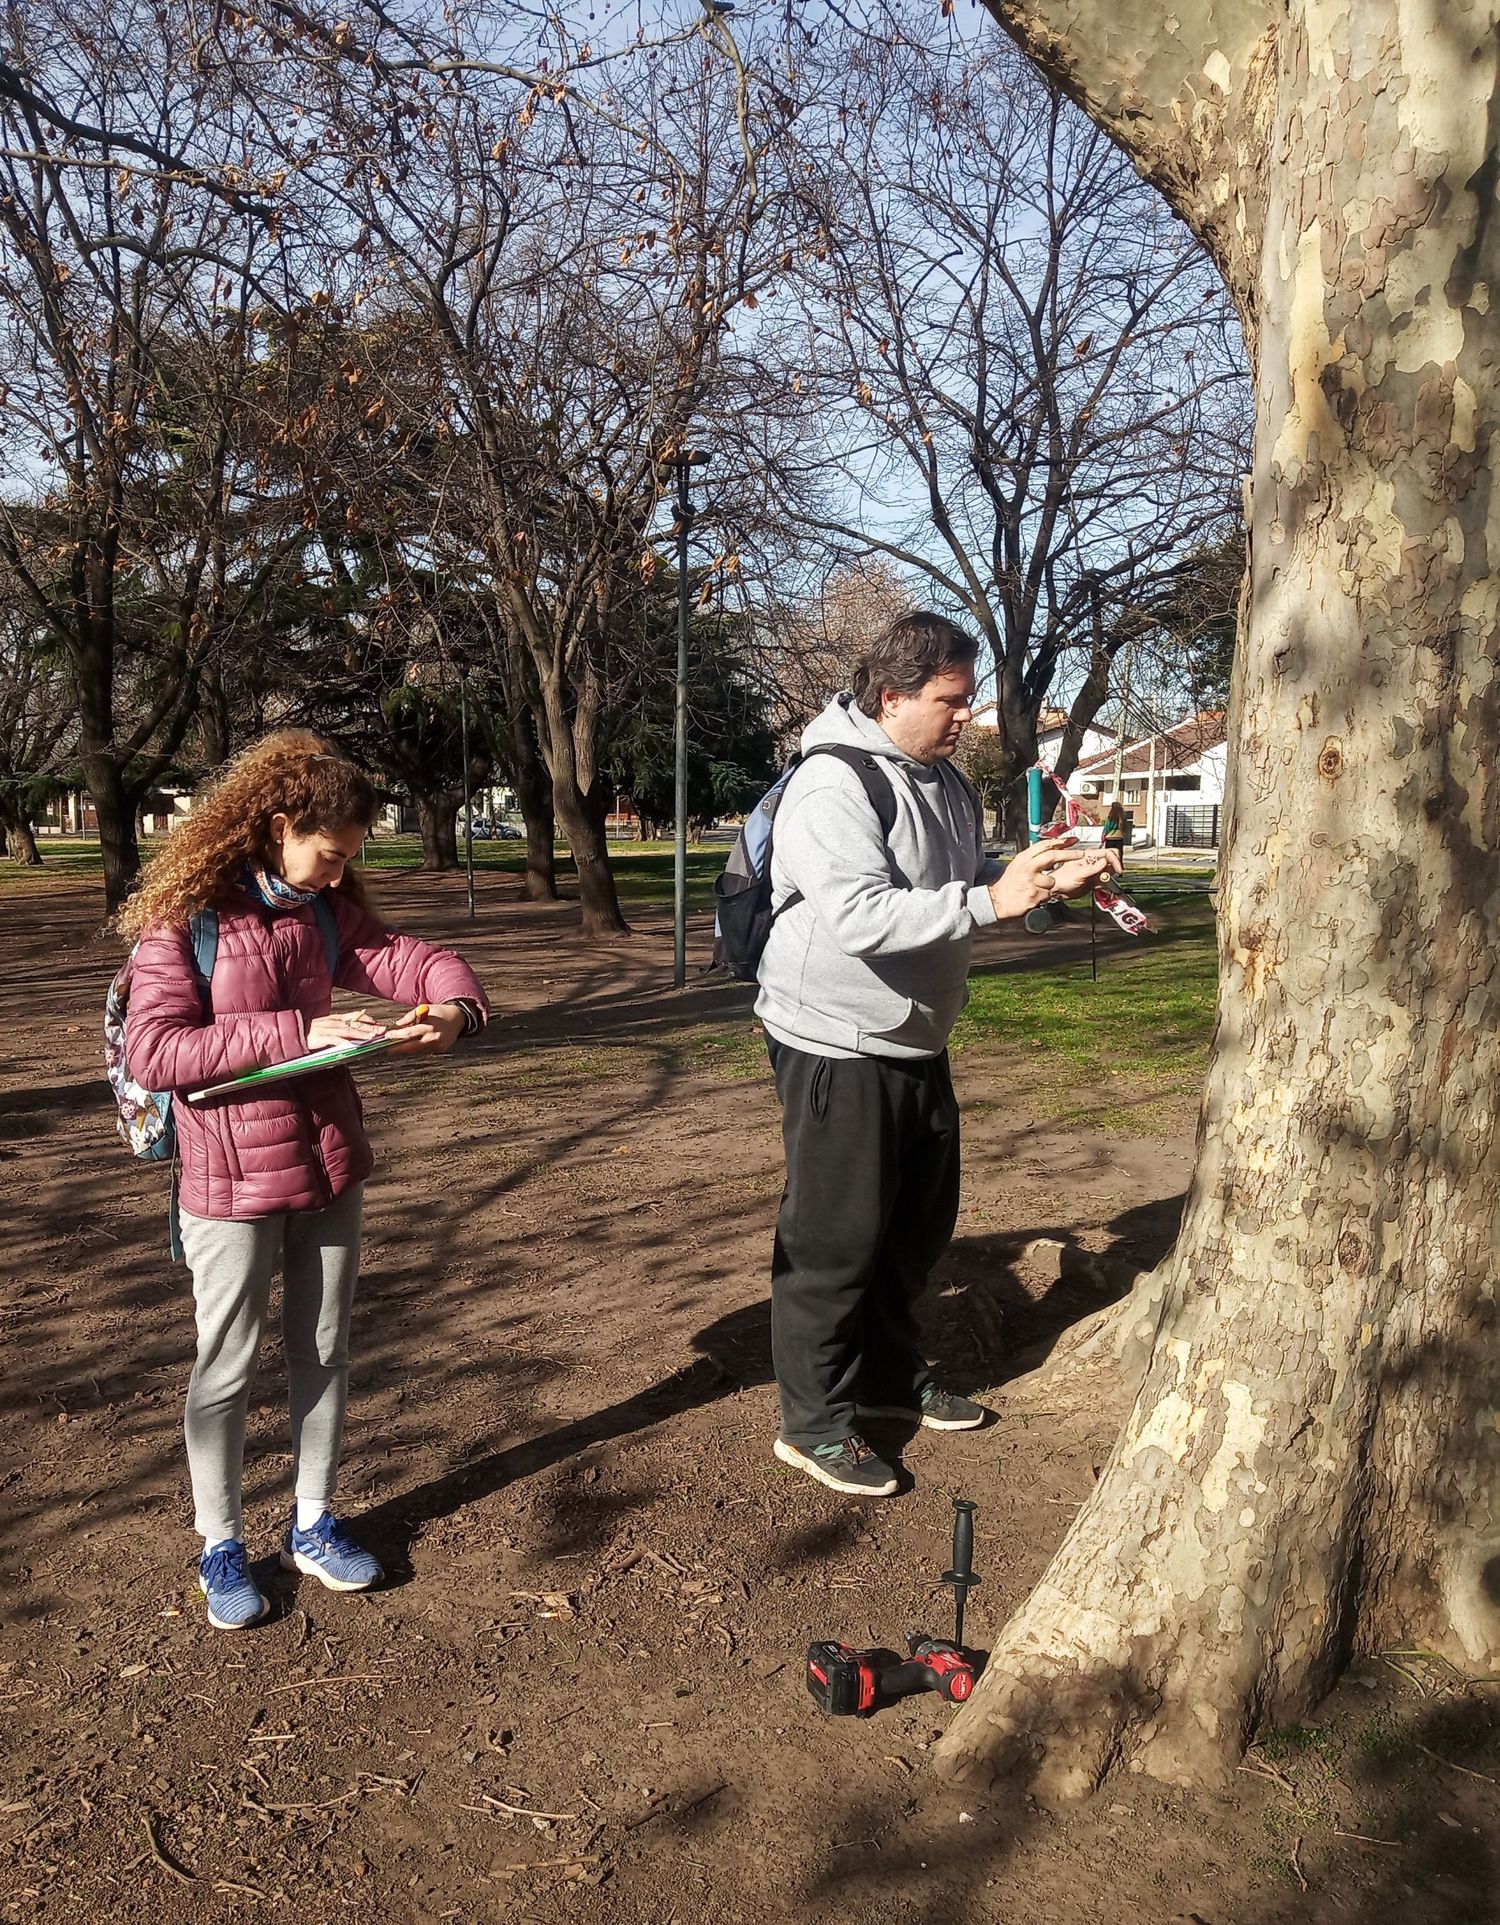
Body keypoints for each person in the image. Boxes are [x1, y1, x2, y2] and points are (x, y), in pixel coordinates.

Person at [118, 731, 490, 1628]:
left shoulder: (325, 910)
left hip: (329, 1166)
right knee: (227, 1362)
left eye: (350, 859)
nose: (337, 874)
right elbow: (156, 1049)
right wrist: (300, 1033)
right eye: (329, 854)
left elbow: (410, 956)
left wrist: (458, 1007)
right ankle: (220, 1543)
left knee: (325, 1347)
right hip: (228, 1179)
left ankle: (315, 1520)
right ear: (280, 825)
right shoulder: (190, 918)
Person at [756, 614, 1119, 1497]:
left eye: (968, 699)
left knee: (914, 1226)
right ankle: (813, 1422)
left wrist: (1038, 873)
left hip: (918, 1036)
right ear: (890, 696)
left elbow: (959, 873)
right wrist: (993, 899)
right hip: (836, 1039)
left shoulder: (944, 782)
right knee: (834, 1238)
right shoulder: (831, 784)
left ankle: (886, 1378)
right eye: (950, 701)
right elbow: (863, 915)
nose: (966, 717)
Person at [1101, 796, 1128, 866]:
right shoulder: (1122, 817)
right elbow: (1125, 828)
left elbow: (1107, 828)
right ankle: (1120, 867)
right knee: (1119, 854)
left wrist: (1103, 836)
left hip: (1110, 837)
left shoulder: (1110, 817)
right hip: (1119, 837)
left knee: (1109, 853)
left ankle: (1110, 867)